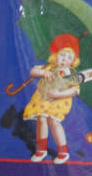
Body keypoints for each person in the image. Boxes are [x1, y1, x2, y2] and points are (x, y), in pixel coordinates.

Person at [24, 34, 85, 164]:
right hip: (42, 98)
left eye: (69, 57)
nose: (64, 59)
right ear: (55, 55)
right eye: (62, 55)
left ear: (73, 61)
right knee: (41, 119)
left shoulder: (71, 73)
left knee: (54, 122)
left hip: (58, 101)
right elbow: (33, 71)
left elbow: (75, 90)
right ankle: (41, 149)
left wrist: (59, 95)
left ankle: (63, 151)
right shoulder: (49, 67)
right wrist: (42, 72)